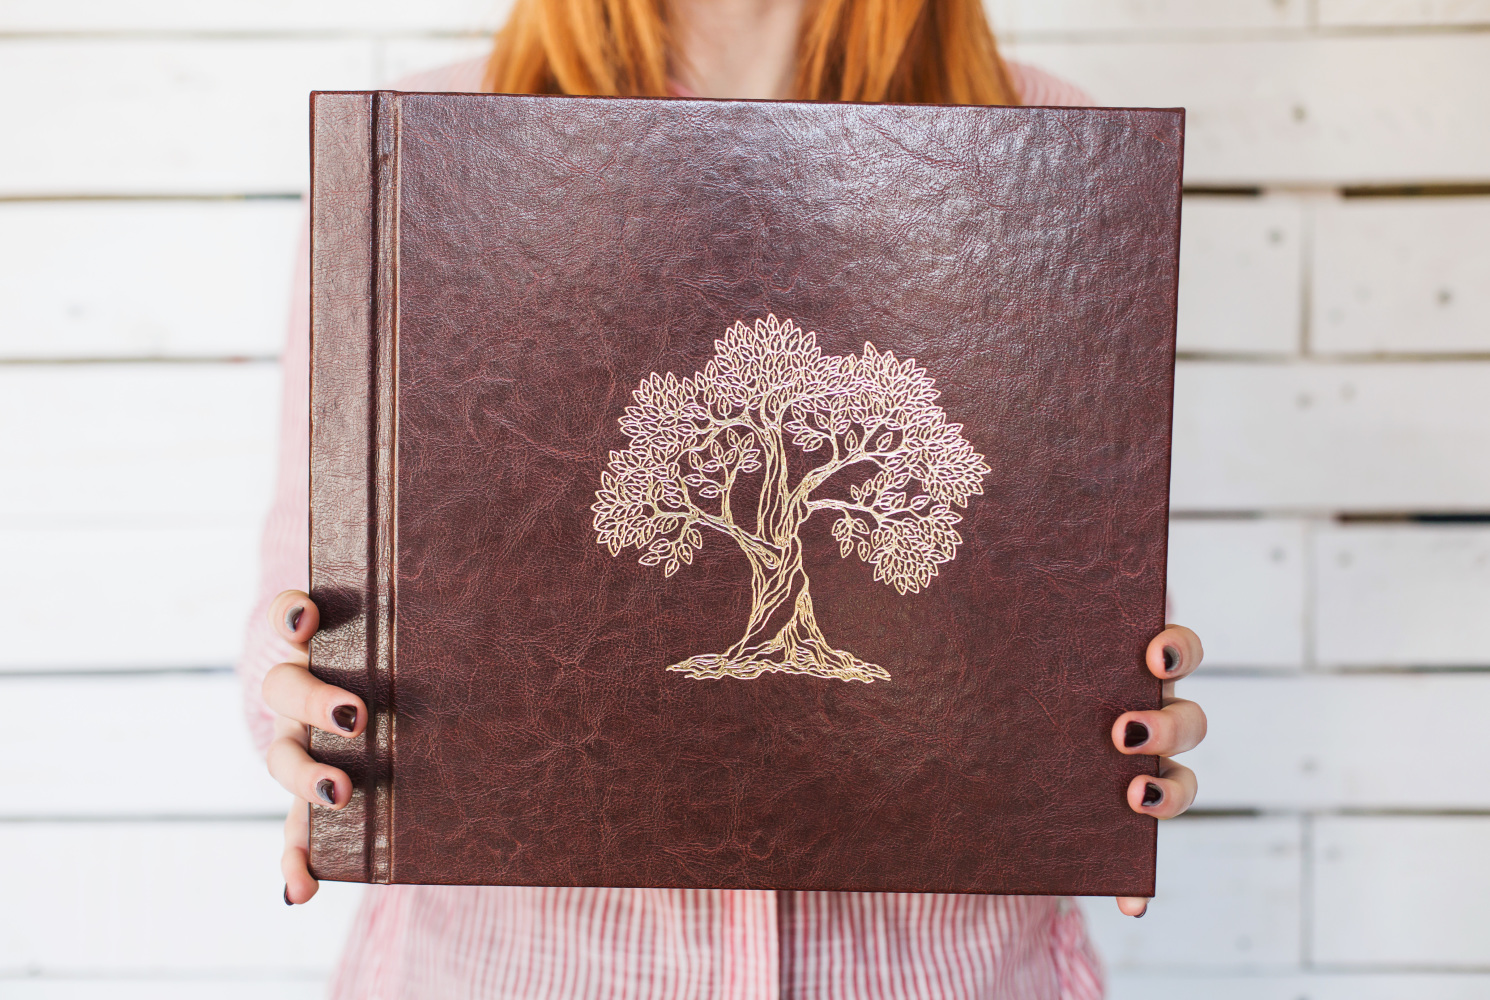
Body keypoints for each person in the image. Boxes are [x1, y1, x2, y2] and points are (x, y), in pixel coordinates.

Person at [239, 0, 1209, 995]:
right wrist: (309, 707)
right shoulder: (414, 144)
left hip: (952, 972)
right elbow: (302, 594)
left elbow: (1070, 578)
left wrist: (1113, 729)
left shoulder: (1051, 139)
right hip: (514, 969)